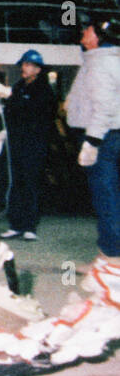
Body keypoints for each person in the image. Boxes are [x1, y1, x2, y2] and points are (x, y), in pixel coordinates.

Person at [0, 50, 56, 248]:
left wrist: (11, 96)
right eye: (23, 64)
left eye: (29, 65)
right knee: (14, 183)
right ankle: (16, 224)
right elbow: (8, 114)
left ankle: (30, 227)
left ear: (38, 69)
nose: (24, 68)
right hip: (15, 144)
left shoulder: (44, 90)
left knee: (30, 184)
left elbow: (34, 110)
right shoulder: (19, 86)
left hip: (34, 145)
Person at [66, 17, 120, 269]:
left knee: (105, 194)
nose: (83, 32)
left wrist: (92, 141)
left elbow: (104, 107)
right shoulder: (105, 60)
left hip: (104, 137)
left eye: (87, 29)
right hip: (110, 135)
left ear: (97, 37)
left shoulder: (99, 64)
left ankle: (112, 256)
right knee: (110, 193)